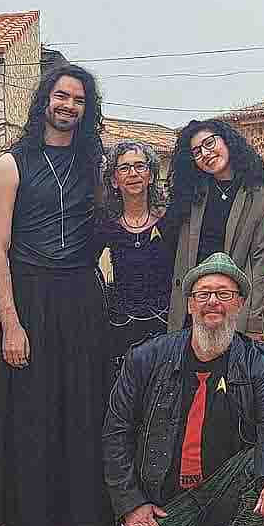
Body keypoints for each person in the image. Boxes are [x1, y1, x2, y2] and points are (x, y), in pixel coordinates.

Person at [104, 255, 264, 526]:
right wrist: (131, 505)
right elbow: (116, 433)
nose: (213, 303)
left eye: (224, 294)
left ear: (239, 303)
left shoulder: (259, 362)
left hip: (223, 487)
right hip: (164, 500)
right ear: (190, 303)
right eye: (204, 293)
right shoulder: (146, 358)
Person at [0, 65, 110, 526]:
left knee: (84, 411)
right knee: (29, 417)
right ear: (45, 100)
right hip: (29, 299)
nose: (69, 106)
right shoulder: (11, 164)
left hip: (82, 297)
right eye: (62, 96)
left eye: (78, 100)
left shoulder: (95, 163)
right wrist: (10, 323)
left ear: (86, 109)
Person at [167, 120, 264, 342]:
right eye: (197, 152)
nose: (205, 153)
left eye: (209, 143)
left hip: (237, 314)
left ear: (228, 141)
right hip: (193, 313)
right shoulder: (191, 196)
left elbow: (262, 268)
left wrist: (253, 323)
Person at [99, 141, 175, 384]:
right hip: (121, 332)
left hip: (166, 329)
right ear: (114, 180)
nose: (133, 173)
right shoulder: (105, 227)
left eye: (140, 166)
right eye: (124, 168)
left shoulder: (171, 223)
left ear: (151, 176)